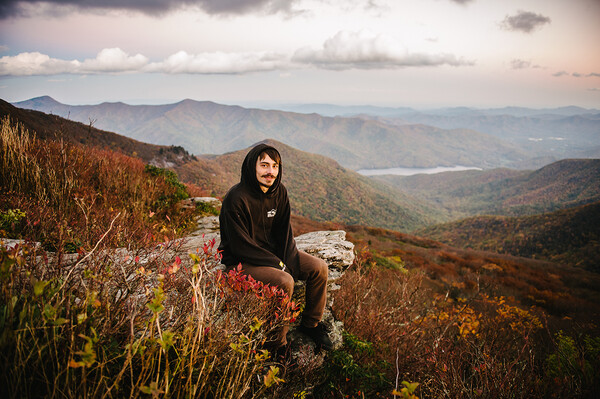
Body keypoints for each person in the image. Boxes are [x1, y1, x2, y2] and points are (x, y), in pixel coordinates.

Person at [218, 143, 332, 352]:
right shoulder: (236, 198)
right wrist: (279, 265)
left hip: (272, 254)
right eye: (264, 165)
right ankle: (276, 344)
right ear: (253, 167)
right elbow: (239, 245)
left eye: (275, 166)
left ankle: (311, 325)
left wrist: (288, 259)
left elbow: (284, 233)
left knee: (319, 268)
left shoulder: (279, 193)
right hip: (242, 262)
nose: (270, 172)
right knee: (284, 280)